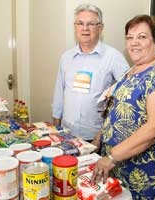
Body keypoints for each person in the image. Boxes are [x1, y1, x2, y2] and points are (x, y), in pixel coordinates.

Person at [90, 14, 155, 200]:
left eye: (142, 37)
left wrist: (111, 157)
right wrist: (99, 138)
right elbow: (115, 107)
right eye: (130, 37)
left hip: (145, 171)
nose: (134, 43)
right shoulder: (131, 71)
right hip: (118, 166)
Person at [51, 3, 129, 141]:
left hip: (96, 136)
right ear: (75, 27)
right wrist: (56, 124)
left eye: (91, 24)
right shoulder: (66, 57)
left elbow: (127, 96)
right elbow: (59, 92)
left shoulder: (114, 57)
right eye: (80, 23)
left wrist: (103, 133)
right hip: (66, 132)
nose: (85, 28)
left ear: (100, 28)